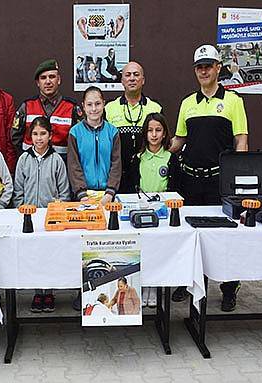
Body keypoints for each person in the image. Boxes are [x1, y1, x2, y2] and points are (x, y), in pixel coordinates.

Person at [169, 44, 248, 311]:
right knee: (188, 235)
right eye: (199, 67)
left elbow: (241, 141)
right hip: (191, 181)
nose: (203, 71)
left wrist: (239, 179)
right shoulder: (187, 104)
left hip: (219, 181)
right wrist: (153, 152)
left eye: (208, 66)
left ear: (218, 68)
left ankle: (228, 287)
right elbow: (180, 139)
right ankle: (186, 281)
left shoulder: (234, 101)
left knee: (225, 238)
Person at [13, 116, 71, 313]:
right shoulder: (24, 159)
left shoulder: (56, 161)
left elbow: (64, 192)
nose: (39, 138)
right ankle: (38, 292)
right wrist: (22, 209)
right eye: (35, 134)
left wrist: (57, 210)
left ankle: (49, 292)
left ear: (50, 136)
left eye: (43, 134)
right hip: (29, 217)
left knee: (49, 255)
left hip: (51, 218)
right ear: (30, 137)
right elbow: (18, 189)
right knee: (34, 256)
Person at [127, 112, 181, 307]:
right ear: (145, 134)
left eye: (158, 130)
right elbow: (131, 186)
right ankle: (143, 286)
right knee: (143, 251)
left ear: (165, 133)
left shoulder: (171, 158)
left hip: (163, 214)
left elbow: (175, 189)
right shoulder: (137, 158)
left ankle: (155, 287)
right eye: (150, 130)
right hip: (141, 212)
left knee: (159, 251)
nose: (154, 134)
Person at [104, 61, 163, 194]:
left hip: (147, 175)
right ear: (122, 81)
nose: (132, 78)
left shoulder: (155, 108)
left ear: (143, 80)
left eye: (136, 75)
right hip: (117, 176)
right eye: (128, 75)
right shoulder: (109, 108)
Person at [11, 59, 83, 161]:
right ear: (38, 82)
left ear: (59, 80)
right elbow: (15, 138)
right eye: (43, 78)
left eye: (52, 77)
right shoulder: (27, 106)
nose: (48, 81)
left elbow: (79, 141)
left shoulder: (72, 108)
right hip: (32, 166)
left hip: (62, 167)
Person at [67, 86, 122, 206]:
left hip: (108, 196)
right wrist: (81, 193)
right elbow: (73, 165)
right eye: (89, 104)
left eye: (97, 104)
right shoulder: (75, 133)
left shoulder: (112, 132)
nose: (94, 109)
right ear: (83, 106)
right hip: (83, 197)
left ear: (103, 104)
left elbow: (116, 164)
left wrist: (110, 192)